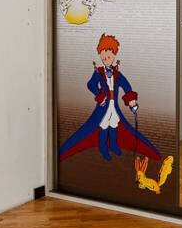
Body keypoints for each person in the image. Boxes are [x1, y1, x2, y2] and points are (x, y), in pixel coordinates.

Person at [57, 33, 164, 163]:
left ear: (114, 55)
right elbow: (91, 84)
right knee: (103, 124)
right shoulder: (98, 72)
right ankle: (103, 146)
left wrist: (131, 100)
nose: (106, 59)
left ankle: (113, 144)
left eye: (109, 56)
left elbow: (126, 86)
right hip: (103, 106)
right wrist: (99, 95)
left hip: (114, 105)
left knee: (114, 123)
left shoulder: (117, 73)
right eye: (103, 57)